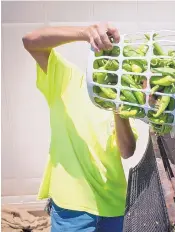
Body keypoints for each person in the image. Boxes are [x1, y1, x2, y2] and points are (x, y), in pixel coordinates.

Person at [22, 23, 138, 232]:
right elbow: (30, 41)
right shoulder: (66, 79)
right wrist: (85, 33)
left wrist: (118, 106)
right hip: (72, 209)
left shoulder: (124, 105)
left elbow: (127, 150)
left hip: (114, 206)